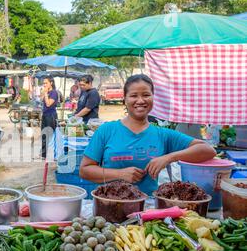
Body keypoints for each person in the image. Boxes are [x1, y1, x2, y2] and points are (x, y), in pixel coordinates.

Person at [80, 74, 216, 196]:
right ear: (125, 100)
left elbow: (208, 150)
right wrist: (120, 174)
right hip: (109, 206)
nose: (140, 101)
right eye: (134, 96)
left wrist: (169, 158)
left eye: (146, 95)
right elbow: (85, 170)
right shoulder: (106, 130)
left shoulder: (163, 135)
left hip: (148, 211)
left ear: (153, 98)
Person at [40, 76, 59, 160]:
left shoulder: (54, 93)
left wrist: (46, 94)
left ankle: (54, 154)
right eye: (43, 83)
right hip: (45, 115)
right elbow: (41, 100)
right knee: (44, 134)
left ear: (51, 83)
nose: (44, 85)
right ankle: (44, 155)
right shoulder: (46, 92)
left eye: (46, 83)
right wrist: (44, 93)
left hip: (51, 115)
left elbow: (48, 104)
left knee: (51, 135)